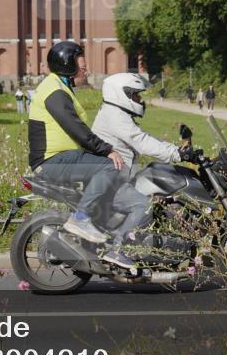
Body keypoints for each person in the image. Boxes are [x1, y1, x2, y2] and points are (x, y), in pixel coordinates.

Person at [91, 72, 194, 269]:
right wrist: (177, 154)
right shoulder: (115, 116)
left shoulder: (116, 114)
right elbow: (141, 141)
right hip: (111, 182)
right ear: (123, 95)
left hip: (117, 177)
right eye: (136, 95)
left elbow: (141, 137)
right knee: (144, 205)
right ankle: (117, 250)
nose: (140, 99)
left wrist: (175, 149)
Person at [28, 41, 124, 244]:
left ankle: (103, 227)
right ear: (68, 67)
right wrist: (107, 151)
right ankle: (81, 220)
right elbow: (76, 129)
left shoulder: (58, 86)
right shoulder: (55, 92)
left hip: (60, 158)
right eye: (83, 68)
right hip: (52, 162)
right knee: (110, 166)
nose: (86, 72)